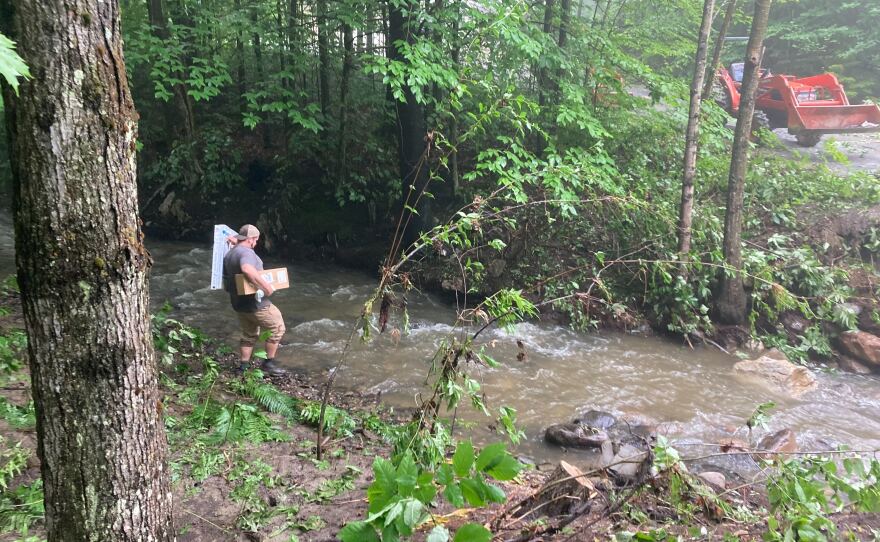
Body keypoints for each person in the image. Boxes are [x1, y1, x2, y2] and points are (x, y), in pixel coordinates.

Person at [223, 224, 287, 376]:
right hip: (257, 304)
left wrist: (235, 243)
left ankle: (243, 367)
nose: (256, 244)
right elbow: (247, 269)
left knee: (249, 334)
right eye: (256, 240)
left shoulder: (230, 253)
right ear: (251, 239)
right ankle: (268, 364)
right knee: (278, 328)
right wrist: (267, 287)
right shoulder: (247, 253)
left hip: (239, 304)